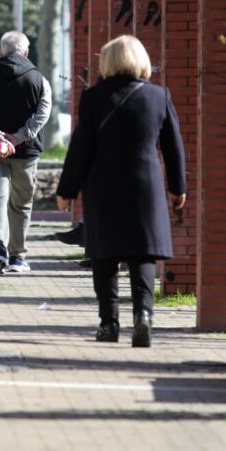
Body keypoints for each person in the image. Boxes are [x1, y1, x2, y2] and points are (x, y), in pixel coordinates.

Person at [55, 35, 186, 348]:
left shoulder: (93, 98)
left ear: (108, 62)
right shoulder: (159, 96)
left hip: (103, 185)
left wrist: (67, 189)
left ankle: (109, 324)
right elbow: (173, 147)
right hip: (147, 185)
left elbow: (81, 148)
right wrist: (177, 187)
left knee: (105, 255)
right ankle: (143, 315)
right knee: (143, 254)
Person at [0, 31, 52, 274]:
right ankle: (18, 257)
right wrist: (18, 137)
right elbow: (42, 114)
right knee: (21, 204)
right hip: (27, 152)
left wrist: (0, 137)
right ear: (26, 51)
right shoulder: (38, 78)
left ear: (2, 51)